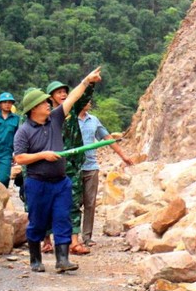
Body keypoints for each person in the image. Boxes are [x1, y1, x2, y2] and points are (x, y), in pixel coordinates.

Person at [14, 67, 99, 274]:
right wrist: (44, 154)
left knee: (63, 218)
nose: (48, 104)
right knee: (38, 221)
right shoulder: (23, 131)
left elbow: (72, 99)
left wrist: (87, 81)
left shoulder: (55, 119)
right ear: (34, 108)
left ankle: (63, 260)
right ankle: (35, 260)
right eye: (44, 102)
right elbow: (19, 158)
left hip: (61, 182)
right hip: (37, 183)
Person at [78, 99, 132, 247]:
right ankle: (71, 237)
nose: (88, 102)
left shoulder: (93, 120)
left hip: (91, 166)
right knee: (73, 203)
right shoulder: (68, 120)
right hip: (73, 167)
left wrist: (123, 156)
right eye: (85, 99)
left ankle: (87, 236)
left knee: (90, 202)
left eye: (89, 100)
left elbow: (107, 138)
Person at [45, 80, 90, 256]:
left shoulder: (72, 110)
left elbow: (83, 97)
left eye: (65, 92)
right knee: (48, 202)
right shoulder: (47, 115)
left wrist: (90, 84)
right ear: (51, 97)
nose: (63, 95)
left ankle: (74, 241)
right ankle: (47, 239)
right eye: (58, 92)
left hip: (72, 164)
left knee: (73, 202)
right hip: (51, 164)